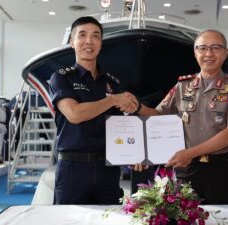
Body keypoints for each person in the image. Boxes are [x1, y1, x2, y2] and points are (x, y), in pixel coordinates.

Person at [136, 29, 228, 204]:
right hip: (186, 169)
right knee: (182, 217)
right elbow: (157, 116)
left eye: (215, 48)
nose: (208, 54)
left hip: (221, 170)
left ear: (225, 53)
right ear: (195, 52)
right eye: (202, 48)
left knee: (224, 219)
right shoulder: (182, 86)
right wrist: (137, 106)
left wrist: (190, 153)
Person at [49, 16, 139, 205]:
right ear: (72, 42)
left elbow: (121, 124)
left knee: (107, 218)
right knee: (68, 220)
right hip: (73, 169)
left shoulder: (113, 82)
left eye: (95, 36)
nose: (89, 41)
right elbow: (74, 114)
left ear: (101, 44)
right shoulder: (61, 78)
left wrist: (135, 152)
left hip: (107, 169)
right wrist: (113, 99)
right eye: (82, 35)